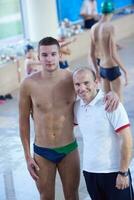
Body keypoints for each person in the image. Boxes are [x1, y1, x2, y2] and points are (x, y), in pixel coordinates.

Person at [19, 37, 119, 200]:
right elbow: (23, 122)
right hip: (42, 152)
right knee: (46, 197)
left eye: (53, 54)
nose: (49, 59)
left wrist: (112, 93)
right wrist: (27, 156)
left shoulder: (71, 79)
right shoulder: (28, 84)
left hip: (68, 150)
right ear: (38, 56)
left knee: (72, 196)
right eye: (44, 55)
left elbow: (93, 91)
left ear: (60, 55)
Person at [73, 67, 134, 200]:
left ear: (96, 82)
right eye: (77, 84)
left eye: (86, 83)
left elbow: (127, 140)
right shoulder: (77, 107)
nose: (82, 88)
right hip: (90, 173)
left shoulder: (111, 104)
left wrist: (123, 172)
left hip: (114, 172)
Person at [90, 0, 128, 101]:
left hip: (102, 68)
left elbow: (91, 54)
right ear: (112, 12)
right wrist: (125, 70)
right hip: (112, 67)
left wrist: (96, 72)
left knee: (107, 103)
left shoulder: (94, 28)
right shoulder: (111, 27)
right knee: (118, 103)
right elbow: (113, 54)